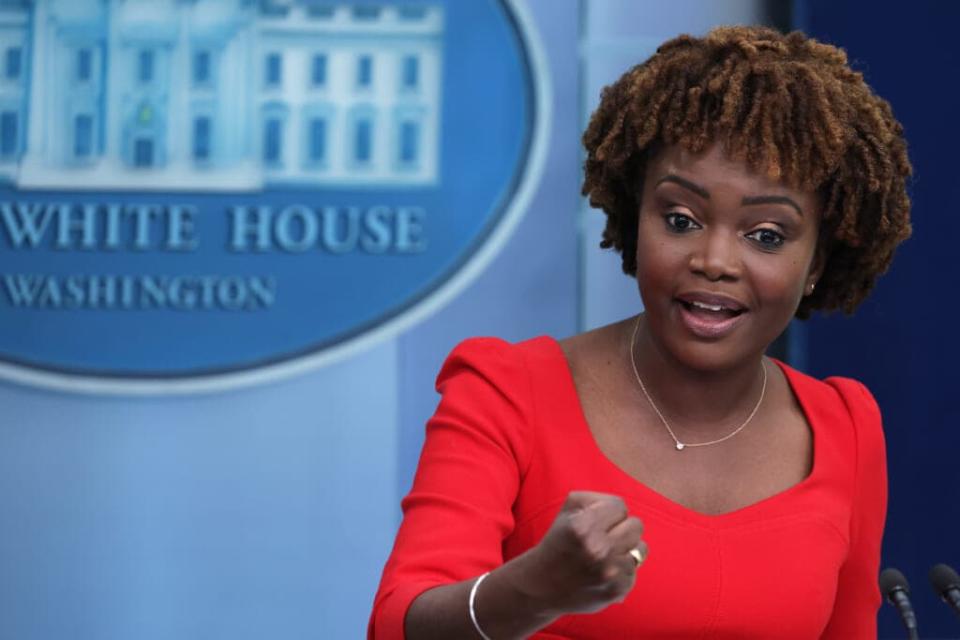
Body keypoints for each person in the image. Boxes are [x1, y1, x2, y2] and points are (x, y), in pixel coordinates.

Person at [369, 25, 912, 639]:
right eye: (680, 219)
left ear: (816, 263)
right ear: (635, 223)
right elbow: (398, 625)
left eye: (766, 235)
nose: (714, 259)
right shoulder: (506, 391)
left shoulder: (847, 427)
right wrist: (530, 592)